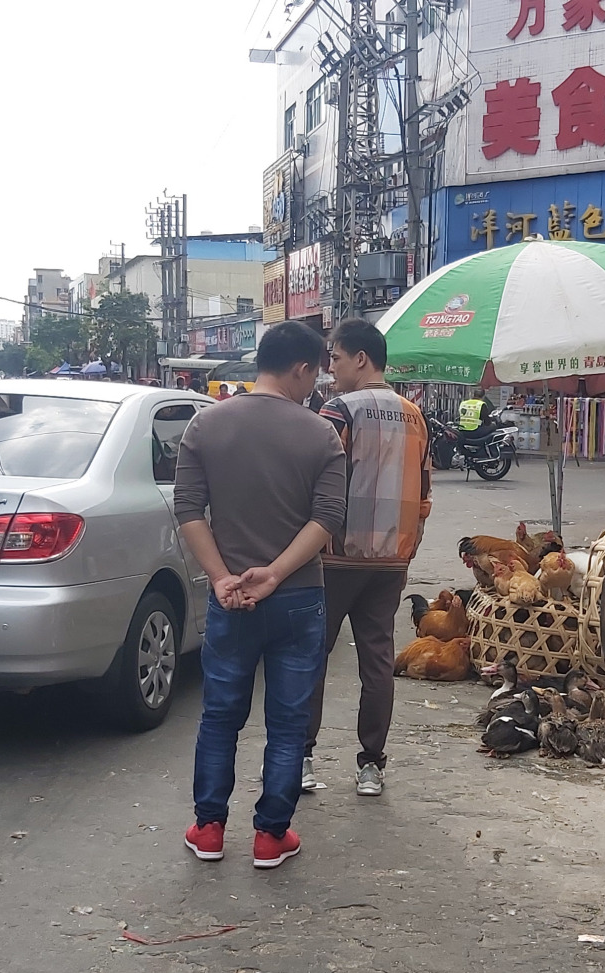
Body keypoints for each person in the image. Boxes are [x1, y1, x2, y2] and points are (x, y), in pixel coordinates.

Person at [175, 320, 348, 870]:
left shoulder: (205, 426)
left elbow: (188, 511)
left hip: (230, 601)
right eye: (314, 374)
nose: (314, 386)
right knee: (288, 722)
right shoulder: (322, 435)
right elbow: (326, 521)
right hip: (298, 597)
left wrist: (223, 577)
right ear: (300, 368)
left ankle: (207, 829)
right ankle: (271, 836)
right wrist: (273, 573)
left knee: (220, 715)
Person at [302, 318, 432, 797]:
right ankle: (371, 765)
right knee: (377, 662)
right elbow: (424, 493)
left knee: (311, 657)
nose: (329, 367)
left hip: (336, 557)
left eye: (334, 357)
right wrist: (407, 548)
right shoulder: (414, 415)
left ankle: (302, 757)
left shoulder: (337, 412)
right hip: (391, 563)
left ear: (361, 359)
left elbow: (316, 481)